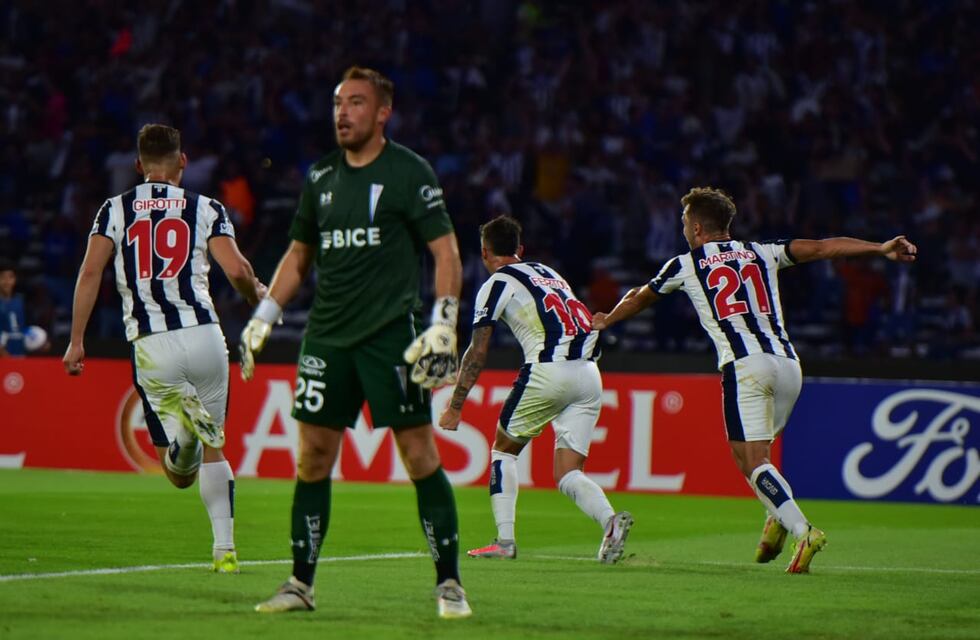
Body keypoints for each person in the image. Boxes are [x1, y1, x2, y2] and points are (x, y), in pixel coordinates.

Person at [240, 66, 470, 619]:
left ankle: (450, 584)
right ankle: (300, 584)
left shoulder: (408, 171)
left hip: (390, 336)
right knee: (313, 457)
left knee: (419, 455)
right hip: (326, 338)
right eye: (338, 103)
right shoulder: (321, 176)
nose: (343, 113)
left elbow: (446, 251)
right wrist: (265, 314)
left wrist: (444, 322)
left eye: (356, 103)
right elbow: (299, 256)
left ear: (383, 113)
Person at [593, 187, 917, 574]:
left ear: (696, 228)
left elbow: (640, 296)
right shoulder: (762, 251)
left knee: (753, 461)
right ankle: (776, 518)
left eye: (684, 223)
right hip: (789, 365)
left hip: (746, 366)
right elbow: (822, 248)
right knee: (753, 457)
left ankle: (803, 531)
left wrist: (607, 320)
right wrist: (879, 248)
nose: (682, 230)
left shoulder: (687, 264)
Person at [63, 123, 264, 574]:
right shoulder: (206, 207)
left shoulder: (115, 209)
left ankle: (186, 437)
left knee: (178, 473)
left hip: (154, 343)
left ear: (138, 165)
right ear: (183, 161)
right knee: (217, 449)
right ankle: (224, 551)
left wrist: (76, 341)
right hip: (206, 335)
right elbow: (237, 271)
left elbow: (90, 273)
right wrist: (257, 296)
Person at [439, 215, 634, 564]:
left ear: (484, 252)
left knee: (503, 452)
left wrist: (455, 405)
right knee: (568, 472)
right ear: (520, 248)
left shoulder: (496, 283)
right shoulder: (549, 273)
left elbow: (477, 351)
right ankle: (609, 522)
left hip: (549, 369)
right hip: (589, 374)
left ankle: (504, 541)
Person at [0, 260, 27, 357]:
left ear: (15, 279)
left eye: (10, 277)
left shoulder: (20, 301)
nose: (7, 281)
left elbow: (26, 328)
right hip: (3, 355)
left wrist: (40, 341)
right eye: (3, 277)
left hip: (20, 352)